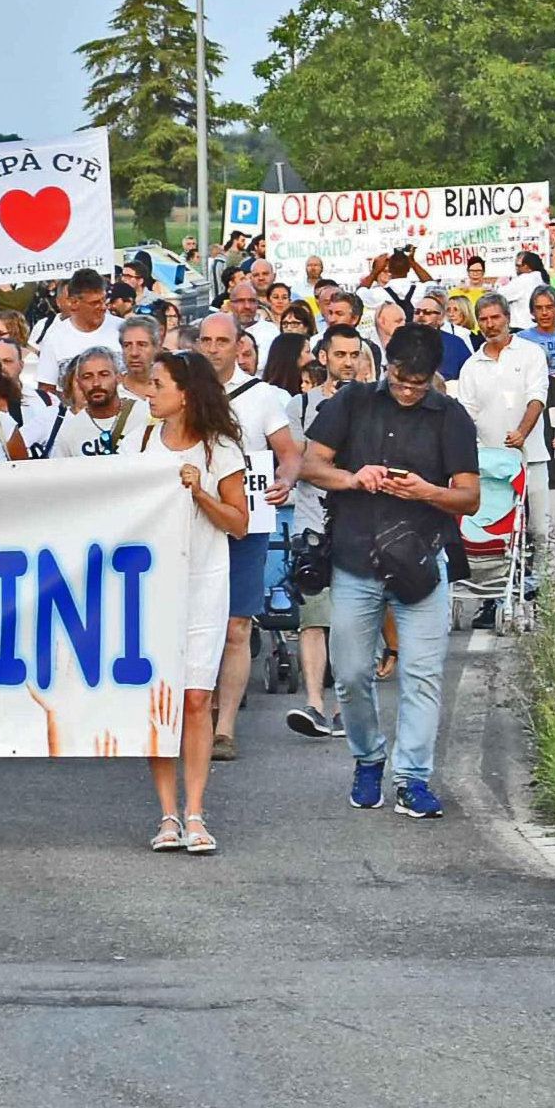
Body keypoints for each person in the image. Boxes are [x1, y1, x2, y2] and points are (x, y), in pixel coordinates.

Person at [301, 326, 481, 820]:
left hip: (422, 561)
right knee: (354, 673)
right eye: (401, 380)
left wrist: (426, 491)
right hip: (356, 557)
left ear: (434, 378)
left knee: (422, 674)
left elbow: (469, 495)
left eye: (418, 386)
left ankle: (412, 777)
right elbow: (310, 465)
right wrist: (354, 478)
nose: (407, 391)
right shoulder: (353, 403)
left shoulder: (451, 416)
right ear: (386, 366)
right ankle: (368, 757)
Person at [142, 350, 251, 857]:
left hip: (204, 580)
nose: (149, 391)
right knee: (160, 698)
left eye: (158, 383)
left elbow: (238, 522)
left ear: (183, 392)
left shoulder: (220, 448)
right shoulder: (141, 440)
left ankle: (196, 811)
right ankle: (167, 812)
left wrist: (200, 490)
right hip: (152, 584)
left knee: (196, 697)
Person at [193, 314, 300, 760]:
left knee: (237, 625)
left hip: (247, 522)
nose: (214, 348)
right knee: (198, 624)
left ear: (239, 346)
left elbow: (290, 453)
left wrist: (286, 479)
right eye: (206, 341)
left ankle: (225, 727)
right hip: (196, 521)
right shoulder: (184, 392)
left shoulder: (260, 398)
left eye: (223, 341)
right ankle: (197, 710)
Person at [284, 324, 367, 739]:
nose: (347, 362)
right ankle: (314, 704)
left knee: (350, 621)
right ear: (324, 358)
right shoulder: (300, 406)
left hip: (358, 527)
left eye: (355, 355)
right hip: (312, 525)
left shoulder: (374, 406)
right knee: (312, 618)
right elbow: (297, 462)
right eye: (340, 355)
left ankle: (343, 708)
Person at [457, 294, 553, 587]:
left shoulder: (530, 353)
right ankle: (497, 588)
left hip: (530, 456)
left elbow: (537, 397)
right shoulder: (472, 365)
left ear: (507, 318)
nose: (490, 324)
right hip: (489, 464)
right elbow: (465, 413)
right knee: (492, 529)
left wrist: (522, 432)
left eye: (495, 317)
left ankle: (544, 589)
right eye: (483, 319)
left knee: (538, 527)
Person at [49, 348, 149, 457]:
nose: (96, 383)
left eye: (104, 374)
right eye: (87, 377)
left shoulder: (144, 415)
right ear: (78, 382)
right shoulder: (69, 433)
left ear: (118, 378)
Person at [31, 269, 117, 397]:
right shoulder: (54, 337)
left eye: (103, 300)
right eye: (94, 303)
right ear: (73, 303)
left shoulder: (123, 329)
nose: (103, 307)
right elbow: (46, 389)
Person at [413, 291, 471, 382]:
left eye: (427, 312)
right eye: (417, 312)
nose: (421, 315)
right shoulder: (402, 341)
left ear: (440, 317)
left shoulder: (455, 344)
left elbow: (470, 377)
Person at [117, 315, 161, 404]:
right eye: (127, 345)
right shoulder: (112, 392)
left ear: (156, 347)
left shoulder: (171, 390)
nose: (134, 353)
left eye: (142, 344)